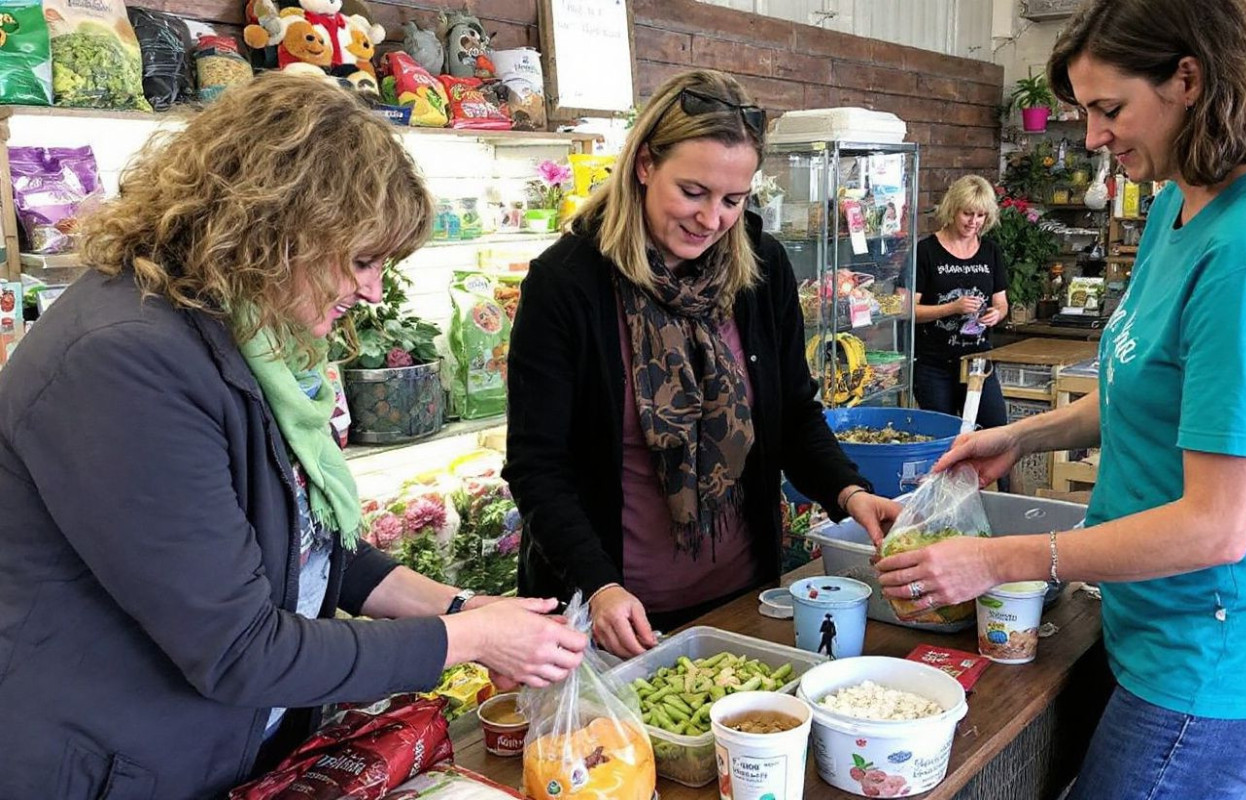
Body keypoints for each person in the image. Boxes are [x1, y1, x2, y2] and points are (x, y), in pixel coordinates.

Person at [0, 73, 587, 799]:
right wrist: (466, 642)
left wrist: (462, 608)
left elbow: (307, 544)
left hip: (210, 748)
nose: (373, 292)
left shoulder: (240, 330)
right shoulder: (123, 360)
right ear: (279, 228)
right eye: (363, 259)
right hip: (113, 765)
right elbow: (240, 648)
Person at [877, 2, 1246, 798]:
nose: (1094, 137)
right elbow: (1149, 389)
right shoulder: (1178, 201)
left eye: (1109, 108)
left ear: (1189, 81)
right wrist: (1025, 437)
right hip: (1164, 626)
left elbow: (1217, 525)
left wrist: (998, 559)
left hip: (1222, 652)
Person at [504, 68, 902, 658]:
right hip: (617, 622)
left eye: (733, 200)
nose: (712, 219)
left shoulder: (760, 269)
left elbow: (791, 414)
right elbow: (538, 466)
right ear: (644, 165)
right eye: (692, 192)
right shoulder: (568, 284)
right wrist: (600, 584)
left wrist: (848, 492)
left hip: (743, 601)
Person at [911, 174, 1009, 432]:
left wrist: (995, 314)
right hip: (934, 364)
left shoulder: (990, 251)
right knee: (942, 436)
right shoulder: (926, 251)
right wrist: (951, 308)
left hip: (978, 361)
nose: (973, 222)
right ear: (952, 209)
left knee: (995, 429)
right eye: (967, 214)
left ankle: (996, 475)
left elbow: (1001, 302)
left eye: (980, 216)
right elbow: (907, 309)